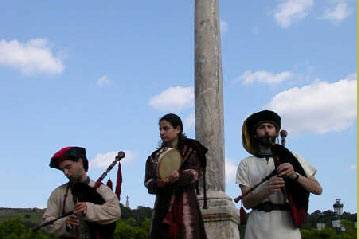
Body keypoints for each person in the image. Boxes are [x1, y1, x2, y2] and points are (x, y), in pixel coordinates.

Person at [235, 110, 322, 239]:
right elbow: (247, 203)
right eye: (261, 127)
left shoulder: (293, 158)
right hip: (257, 227)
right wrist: (265, 189)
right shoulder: (246, 164)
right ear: (254, 134)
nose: (266, 131)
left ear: (276, 132)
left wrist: (294, 175)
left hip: (287, 227)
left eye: (270, 127)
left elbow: (317, 189)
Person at [144, 113, 208, 239]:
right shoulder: (154, 157)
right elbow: (148, 182)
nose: (162, 132)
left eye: (166, 128)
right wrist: (163, 182)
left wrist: (178, 176)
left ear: (177, 129)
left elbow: (195, 173)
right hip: (162, 207)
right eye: (160, 129)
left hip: (185, 205)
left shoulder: (191, 150)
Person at [42, 146, 121, 239]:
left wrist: (88, 208)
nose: (66, 173)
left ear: (80, 162)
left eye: (68, 167)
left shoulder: (102, 189)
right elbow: (46, 222)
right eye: (63, 170)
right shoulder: (58, 193)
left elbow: (115, 212)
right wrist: (64, 222)